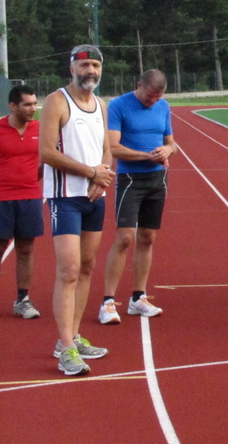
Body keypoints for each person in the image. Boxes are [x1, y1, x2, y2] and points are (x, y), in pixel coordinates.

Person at [40, 44, 115, 376]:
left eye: (96, 65)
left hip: (93, 198)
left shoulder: (100, 104)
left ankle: (71, 336)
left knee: (86, 267)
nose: (91, 71)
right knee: (68, 270)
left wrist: (104, 176)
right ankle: (66, 349)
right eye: (85, 65)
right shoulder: (57, 101)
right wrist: (90, 172)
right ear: (71, 68)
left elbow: (106, 149)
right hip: (64, 197)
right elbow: (46, 153)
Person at [98, 70, 176, 325]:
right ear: (138, 85)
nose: (152, 101)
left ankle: (138, 298)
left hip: (157, 180)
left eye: (157, 97)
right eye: (149, 96)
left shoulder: (163, 106)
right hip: (131, 179)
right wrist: (146, 156)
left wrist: (167, 150)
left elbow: (171, 143)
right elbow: (114, 147)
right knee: (124, 238)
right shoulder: (119, 105)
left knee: (148, 237)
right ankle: (108, 302)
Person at [0, 85, 44, 319]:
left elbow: (44, 161)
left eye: (34, 103)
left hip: (29, 197)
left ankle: (23, 300)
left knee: (26, 249)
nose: (33, 108)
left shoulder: (40, 129)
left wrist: (28, 181)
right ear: (13, 106)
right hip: (1, 198)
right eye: (27, 104)